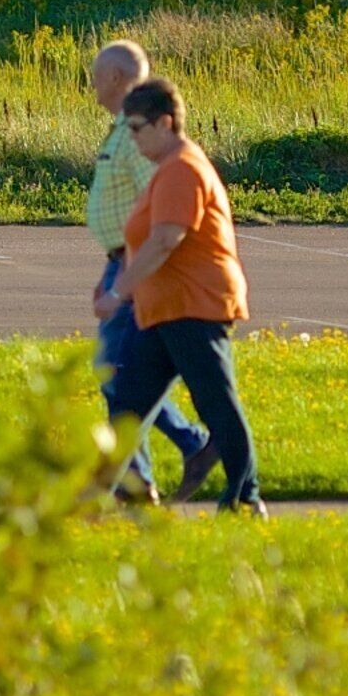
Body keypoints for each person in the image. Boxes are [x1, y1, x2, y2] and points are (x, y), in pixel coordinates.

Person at [96, 77, 260, 514]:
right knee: (127, 399)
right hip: (164, 310)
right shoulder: (166, 170)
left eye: (136, 127)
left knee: (215, 402)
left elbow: (167, 238)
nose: (131, 136)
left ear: (165, 123)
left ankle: (245, 499)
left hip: (195, 305)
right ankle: (111, 493)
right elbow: (143, 239)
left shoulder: (183, 169)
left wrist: (118, 291)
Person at [82, 41, 204, 496]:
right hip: (122, 261)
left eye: (96, 74)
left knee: (118, 371)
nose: (92, 83)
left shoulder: (137, 137)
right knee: (125, 372)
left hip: (135, 266)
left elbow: (154, 206)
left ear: (115, 77)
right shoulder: (123, 128)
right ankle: (147, 476)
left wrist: (126, 274)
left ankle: (155, 469)